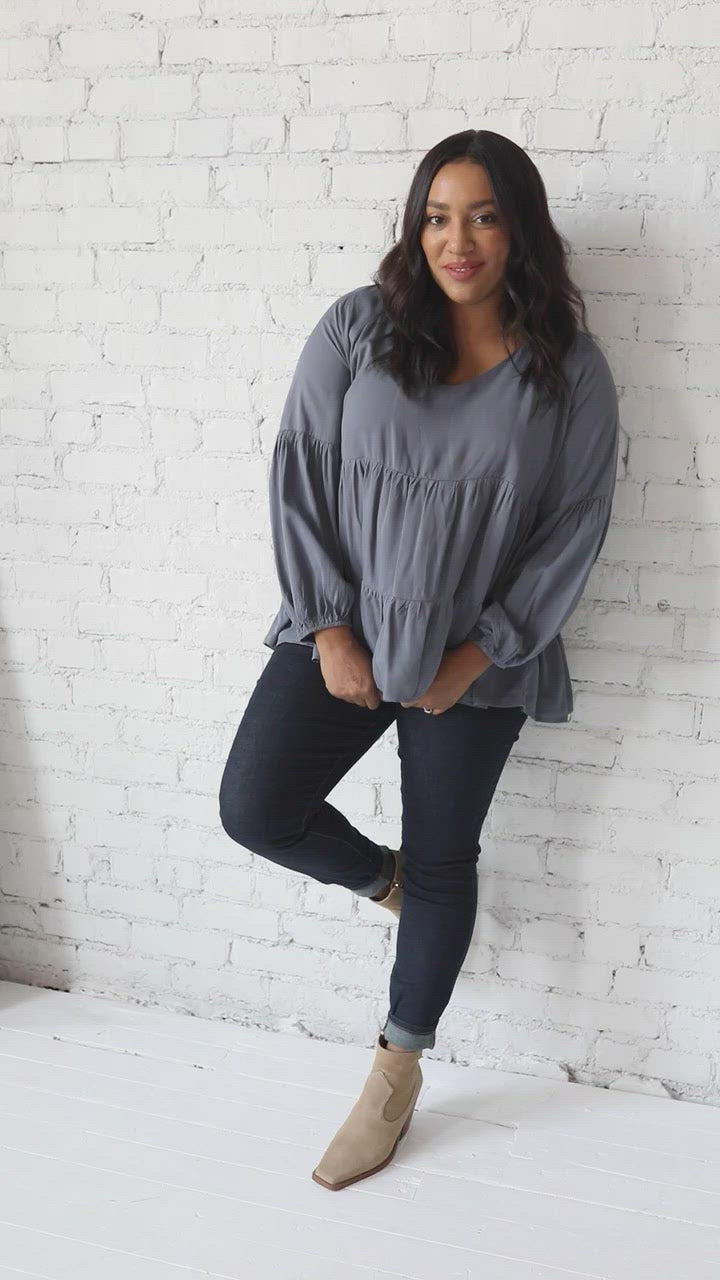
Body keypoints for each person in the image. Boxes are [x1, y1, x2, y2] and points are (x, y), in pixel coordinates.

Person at [218, 129, 620, 1191]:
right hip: (351, 625)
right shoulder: (360, 326)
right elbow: (301, 473)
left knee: (448, 858)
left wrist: (476, 656)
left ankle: (395, 1073)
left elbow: (574, 525)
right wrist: (329, 627)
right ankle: (384, 882)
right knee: (256, 805)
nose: (458, 240)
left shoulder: (570, 369)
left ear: (519, 230)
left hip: (481, 652)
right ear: (415, 226)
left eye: (484, 216)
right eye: (438, 216)